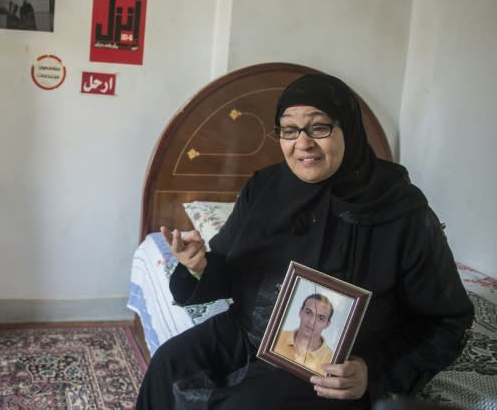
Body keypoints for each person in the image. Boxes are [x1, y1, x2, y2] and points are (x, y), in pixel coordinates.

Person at [135, 73, 474, 409]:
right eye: (289, 130)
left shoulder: (400, 208)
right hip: (244, 331)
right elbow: (228, 268)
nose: (303, 143)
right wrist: (198, 266)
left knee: (245, 404)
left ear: (349, 130)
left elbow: (447, 321)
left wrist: (372, 372)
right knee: (170, 363)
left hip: (327, 362)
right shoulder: (264, 187)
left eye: (319, 127)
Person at [273, 294, 334, 376]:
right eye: (308, 313)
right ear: (300, 312)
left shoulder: (332, 360)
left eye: (321, 318)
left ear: (327, 324)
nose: (312, 322)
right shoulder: (275, 336)